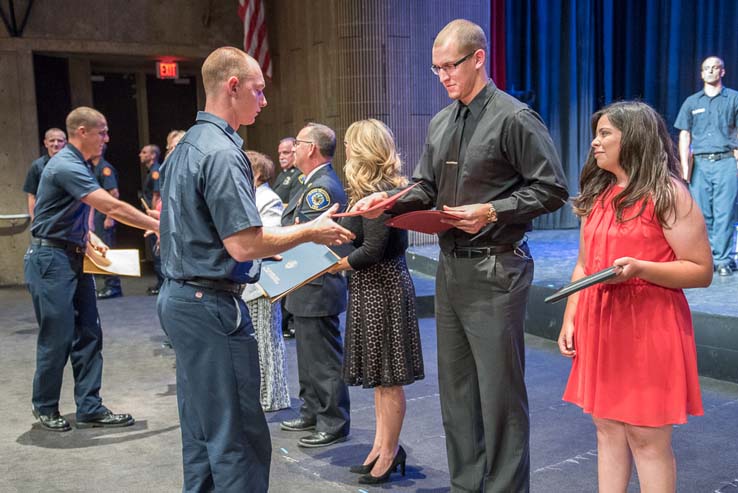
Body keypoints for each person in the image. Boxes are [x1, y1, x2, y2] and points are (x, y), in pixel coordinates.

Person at [352, 19, 568, 491]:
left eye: (451, 66)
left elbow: (552, 189)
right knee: (457, 393)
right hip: (453, 268)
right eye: (436, 69)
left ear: (478, 58)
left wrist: (493, 210)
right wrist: (386, 201)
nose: (444, 76)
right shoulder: (442, 121)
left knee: (499, 396)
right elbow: (427, 187)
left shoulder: (514, 117)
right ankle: (467, 485)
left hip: (497, 266)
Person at [156, 47, 353, 492]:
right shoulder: (224, 153)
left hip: (182, 298)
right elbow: (243, 244)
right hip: (210, 305)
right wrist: (310, 232)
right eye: (258, 90)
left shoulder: (186, 146)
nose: (264, 101)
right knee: (239, 440)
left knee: (203, 434)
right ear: (232, 87)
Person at [558, 101, 711, 492]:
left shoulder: (668, 194)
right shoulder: (600, 193)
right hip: (602, 323)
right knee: (607, 429)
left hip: (648, 326)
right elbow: (583, 264)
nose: (595, 141)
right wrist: (570, 317)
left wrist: (642, 268)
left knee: (646, 438)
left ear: (634, 138)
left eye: (605, 133)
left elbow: (700, 270)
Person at [25, 106, 159, 432]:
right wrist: (160, 224)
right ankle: (45, 406)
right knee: (57, 336)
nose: (107, 139)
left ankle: (89, 406)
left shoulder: (80, 164)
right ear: (82, 132)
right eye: (102, 131)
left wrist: (88, 236)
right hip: (50, 259)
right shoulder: (66, 165)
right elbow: (109, 205)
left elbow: (77, 210)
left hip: (72, 256)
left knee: (88, 333)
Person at [330, 119, 424, 484]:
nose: (347, 150)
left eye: (352, 143)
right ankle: (381, 447)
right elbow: (357, 238)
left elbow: (372, 250)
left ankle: (389, 451)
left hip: (384, 289)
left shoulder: (385, 191)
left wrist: (336, 265)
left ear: (365, 149)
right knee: (379, 381)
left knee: (389, 381)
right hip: (370, 290)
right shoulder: (364, 191)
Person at [279, 123, 352, 448]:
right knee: (308, 356)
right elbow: (290, 225)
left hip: (318, 282)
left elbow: (306, 235)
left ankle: (332, 420)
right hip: (305, 282)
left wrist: (291, 228)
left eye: (297, 142)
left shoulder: (322, 188)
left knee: (322, 359)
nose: (293, 147)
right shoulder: (309, 183)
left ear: (311, 149)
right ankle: (311, 409)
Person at [674, 56, 738, 277]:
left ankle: (722, 259)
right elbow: (684, 135)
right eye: (706, 68)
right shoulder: (692, 102)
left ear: (723, 71)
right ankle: (707, 257)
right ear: (701, 73)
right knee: (702, 214)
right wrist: (684, 168)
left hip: (727, 161)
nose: (710, 71)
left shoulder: (734, 99)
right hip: (700, 164)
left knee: (725, 212)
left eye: (715, 68)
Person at [241, 150, 290, 412]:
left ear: (257, 173)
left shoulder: (267, 198)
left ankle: (273, 396)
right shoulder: (250, 196)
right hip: (251, 279)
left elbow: (268, 236)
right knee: (257, 340)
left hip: (263, 281)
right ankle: (264, 394)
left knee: (267, 340)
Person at [272, 136, 303, 339]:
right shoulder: (282, 176)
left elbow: (290, 206)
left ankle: (288, 322)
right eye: (280, 153)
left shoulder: (298, 177)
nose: (282, 156)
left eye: (286, 152)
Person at [91, 148, 123, 299]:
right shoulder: (93, 167)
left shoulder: (104, 168)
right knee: (102, 250)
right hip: (98, 215)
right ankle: (108, 284)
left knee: (108, 250)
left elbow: (114, 193)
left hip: (104, 216)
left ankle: (113, 286)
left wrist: (110, 217)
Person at [23, 128, 67, 219]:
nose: (56, 144)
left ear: (65, 143)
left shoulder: (74, 165)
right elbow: (32, 195)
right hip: (45, 219)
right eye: (52, 140)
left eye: (60, 141)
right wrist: (34, 219)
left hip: (68, 218)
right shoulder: (37, 166)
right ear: (46, 143)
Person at [140, 144, 164, 294]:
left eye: (144, 152)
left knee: (158, 252)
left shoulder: (156, 172)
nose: (140, 155)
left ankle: (162, 284)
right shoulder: (151, 171)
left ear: (153, 155)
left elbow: (156, 195)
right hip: (153, 215)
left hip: (155, 216)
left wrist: (153, 218)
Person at [272, 137, 304, 204]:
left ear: (295, 152)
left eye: (285, 153)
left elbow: (294, 204)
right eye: (279, 154)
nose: (281, 157)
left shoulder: (300, 174)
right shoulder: (283, 173)